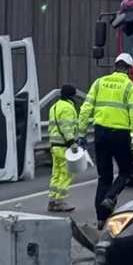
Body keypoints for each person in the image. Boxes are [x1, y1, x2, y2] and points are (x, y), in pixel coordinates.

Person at [80, 53, 133, 223]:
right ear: (129, 69)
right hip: (120, 135)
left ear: (115, 66)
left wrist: (81, 134)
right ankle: (111, 197)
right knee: (126, 171)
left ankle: (100, 219)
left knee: (104, 177)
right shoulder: (131, 87)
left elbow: (85, 109)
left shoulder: (99, 83)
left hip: (100, 133)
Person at [46, 84, 79, 212]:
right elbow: (66, 127)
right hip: (64, 146)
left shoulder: (54, 106)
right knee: (66, 174)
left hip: (54, 146)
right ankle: (60, 201)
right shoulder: (67, 108)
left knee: (56, 174)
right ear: (71, 95)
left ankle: (52, 200)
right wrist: (72, 142)